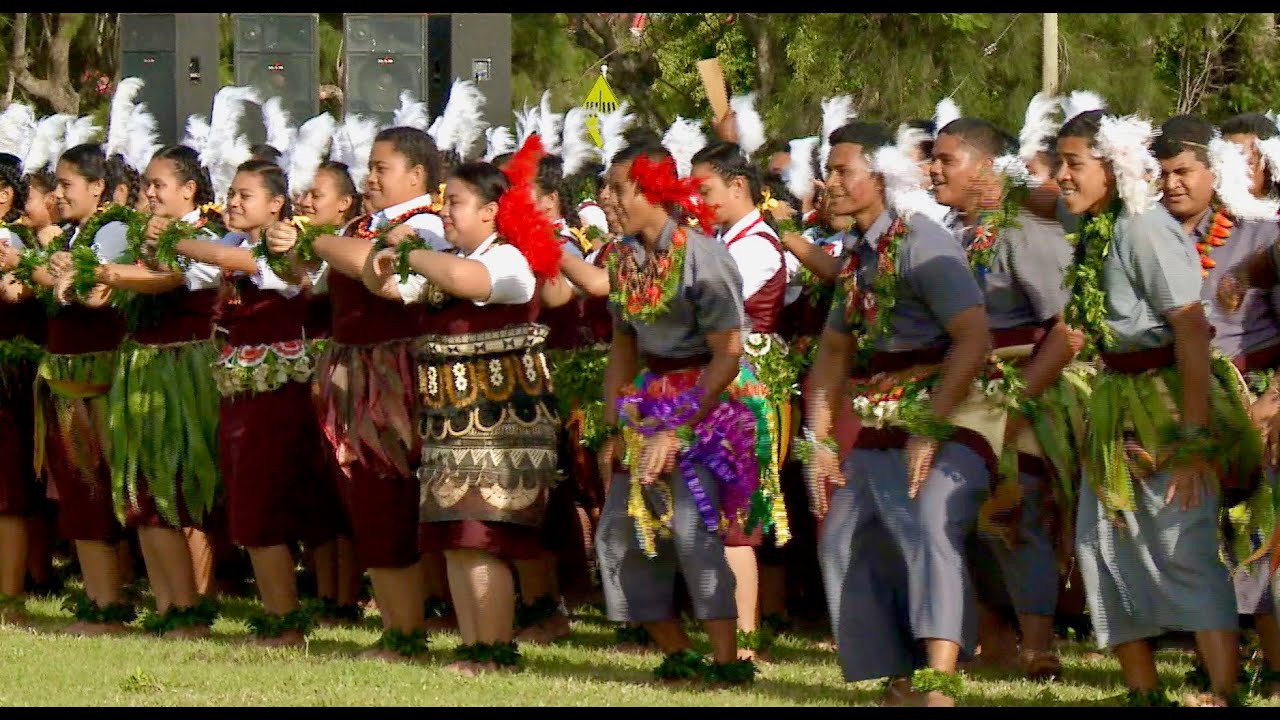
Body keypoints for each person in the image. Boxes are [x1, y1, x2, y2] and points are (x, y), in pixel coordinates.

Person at [1058, 109, 1257, 707]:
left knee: (1181, 543)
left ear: (1114, 169)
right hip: (1115, 399)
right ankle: (1143, 694)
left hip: (1165, 399)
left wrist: (1194, 442)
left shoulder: (1141, 227)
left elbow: (1192, 330)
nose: (1062, 176)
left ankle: (1223, 691)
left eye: (1074, 164)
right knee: (1101, 542)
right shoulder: (1100, 229)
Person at [805, 121, 993, 707]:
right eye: (828, 170)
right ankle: (899, 675)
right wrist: (817, 442)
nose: (828, 182)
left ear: (881, 177)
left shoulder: (923, 242)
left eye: (842, 171)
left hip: (952, 409)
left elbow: (973, 338)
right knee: (841, 536)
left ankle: (939, 682)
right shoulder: (861, 253)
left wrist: (930, 428)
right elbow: (834, 350)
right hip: (885, 415)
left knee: (929, 521)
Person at [365, 141, 564, 674]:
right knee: (455, 536)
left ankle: (493, 649)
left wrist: (409, 250)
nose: (443, 211)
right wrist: (382, 255)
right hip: (451, 420)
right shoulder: (446, 257)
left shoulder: (507, 259)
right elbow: (384, 287)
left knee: (481, 536)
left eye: (453, 202)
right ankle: (476, 645)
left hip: (503, 423)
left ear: (489, 212)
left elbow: (463, 283)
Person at [265, 126, 446, 660]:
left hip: (397, 380)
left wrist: (314, 239)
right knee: (369, 499)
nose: (369, 177)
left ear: (416, 176)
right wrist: (289, 249)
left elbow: (384, 277)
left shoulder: (427, 225)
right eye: (369, 166)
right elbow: (312, 282)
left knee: (391, 496)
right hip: (352, 375)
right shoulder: (361, 225)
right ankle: (399, 626)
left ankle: (409, 630)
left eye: (381, 168)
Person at [594, 140, 760, 684]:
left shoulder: (703, 255)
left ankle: (726, 662)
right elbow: (623, 344)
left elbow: (729, 354)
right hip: (647, 403)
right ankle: (676, 650)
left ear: (650, 190)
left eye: (618, 189)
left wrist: (681, 425)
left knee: (695, 528)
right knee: (619, 531)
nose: (607, 200)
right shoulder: (622, 258)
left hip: (706, 405)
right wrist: (616, 421)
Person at [163, 159, 334, 646]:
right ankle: (277, 613)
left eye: (245, 195)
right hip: (241, 391)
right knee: (247, 500)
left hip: (276, 393)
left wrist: (173, 237)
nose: (233, 203)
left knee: (264, 502)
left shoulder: (286, 246)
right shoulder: (231, 245)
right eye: (231, 194)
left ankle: (285, 620)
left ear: (277, 204)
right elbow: (194, 267)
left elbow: (246, 266)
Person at [930, 117, 1077, 679]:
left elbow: (1068, 330)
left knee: (1019, 512)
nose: (934, 169)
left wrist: (1021, 404)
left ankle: (1038, 644)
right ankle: (991, 639)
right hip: (960, 389)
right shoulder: (947, 233)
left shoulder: (1025, 234)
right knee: (962, 520)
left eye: (947, 160)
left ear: (986, 168)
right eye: (934, 159)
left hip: (1021, 387)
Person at [1154, 114, 1280, 697]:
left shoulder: (1259, 233)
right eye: (1163, 173)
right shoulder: (1148, 233)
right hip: (1170, 407)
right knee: (1193, 542)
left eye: (1184, 171)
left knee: (1250, 542)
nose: (1172, 183)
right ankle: (1219, 660)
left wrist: (1270, 402)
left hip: (1251, 405)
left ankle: (1259, 667)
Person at [89, 144, 228, 639]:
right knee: (146, 494)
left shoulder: (205, 239)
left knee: (185, 492)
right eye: (145, 184)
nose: (148, 193)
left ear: (189, 190)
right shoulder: (139, 241)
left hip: (183, 374)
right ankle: (169, 604)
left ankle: (196, 607)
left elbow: (165, 280)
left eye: (158, 184)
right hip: (142, 370)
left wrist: (105, 272)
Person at [690, 139, 791, 661]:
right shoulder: (725, 238)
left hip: (749, 389)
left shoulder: (755, 245)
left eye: (703, 190)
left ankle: (747, 637)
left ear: (737, 186)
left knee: (738, 518)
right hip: (722, 383)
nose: (697, 200)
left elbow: (714, 303)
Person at [31, 143, 135, 635]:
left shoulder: (112, 230)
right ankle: (99, 596)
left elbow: (94, 293)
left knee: (93, 486)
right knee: (78, 487)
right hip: (70, 379)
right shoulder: (77, 233)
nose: (58, 193)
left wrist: (54, 268)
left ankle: (109, 601)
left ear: (98, 187)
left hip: (95, 382)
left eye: (67, 184)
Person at [293, 159, 365, 627]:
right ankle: (325, 591)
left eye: (316, 195)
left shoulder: (353, 240)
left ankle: (349, 594)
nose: (305, 203)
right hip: (312, 369)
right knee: (316, 486)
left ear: (343, 204)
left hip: (348, 372)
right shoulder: (307, 244)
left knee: (347, 480)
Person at [0, 154, 44, 625]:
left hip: (8, 375)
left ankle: (10, 596)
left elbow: (15, 294)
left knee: (7, 489)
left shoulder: (12, 243)